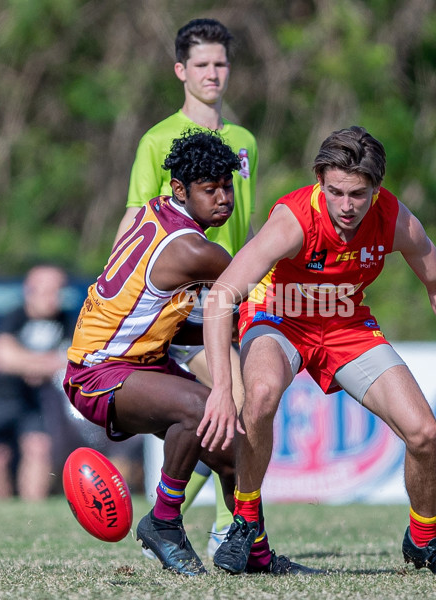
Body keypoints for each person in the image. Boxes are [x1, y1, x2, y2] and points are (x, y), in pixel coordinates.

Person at [201, 126, 436, 576]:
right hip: (279, 316)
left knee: (424, 433)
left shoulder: (395, 219)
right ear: (320, 181)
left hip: (345, 325)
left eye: (357, 194)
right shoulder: (293, 220)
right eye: (334, 192)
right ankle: (246, 520)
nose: (345, 206)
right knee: (259, 396)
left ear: (376, 189)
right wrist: (223, 387)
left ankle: (423, 539)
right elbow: (221, 296)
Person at [64, 131, 311, 576]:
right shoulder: (195, 249)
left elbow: (178, 319)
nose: (222, 199)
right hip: (98, 372)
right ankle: (164, 521)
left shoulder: (155, 213)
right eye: (208, 189)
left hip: (140, 359)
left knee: (235, 451)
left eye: (226, 187)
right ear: (180, 189)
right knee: (204, 409)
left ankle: (254, 554)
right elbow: (268, 285)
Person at [114, 17, 258, 555]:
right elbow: (135, 220)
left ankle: (167, 518)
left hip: (235, 292)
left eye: (221, 63)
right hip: (185, 303)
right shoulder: (158, 140)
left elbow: (246, 225)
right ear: (181, 70)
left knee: (235, 414)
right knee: (233, 407)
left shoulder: (244, 141)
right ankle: (229, 529)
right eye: (201, 64)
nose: (213, 73)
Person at [0, 265, 74, 500]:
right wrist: (47, 362)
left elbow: (74, 360)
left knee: (39, 448)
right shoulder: (14, 317)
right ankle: (2, 507)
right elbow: (3, 359)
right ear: (30, 291)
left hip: (32, 397)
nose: (54, 298)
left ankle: (33, 511)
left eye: (58, 291)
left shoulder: (67, 320)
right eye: (47, 291)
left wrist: (28, 362)